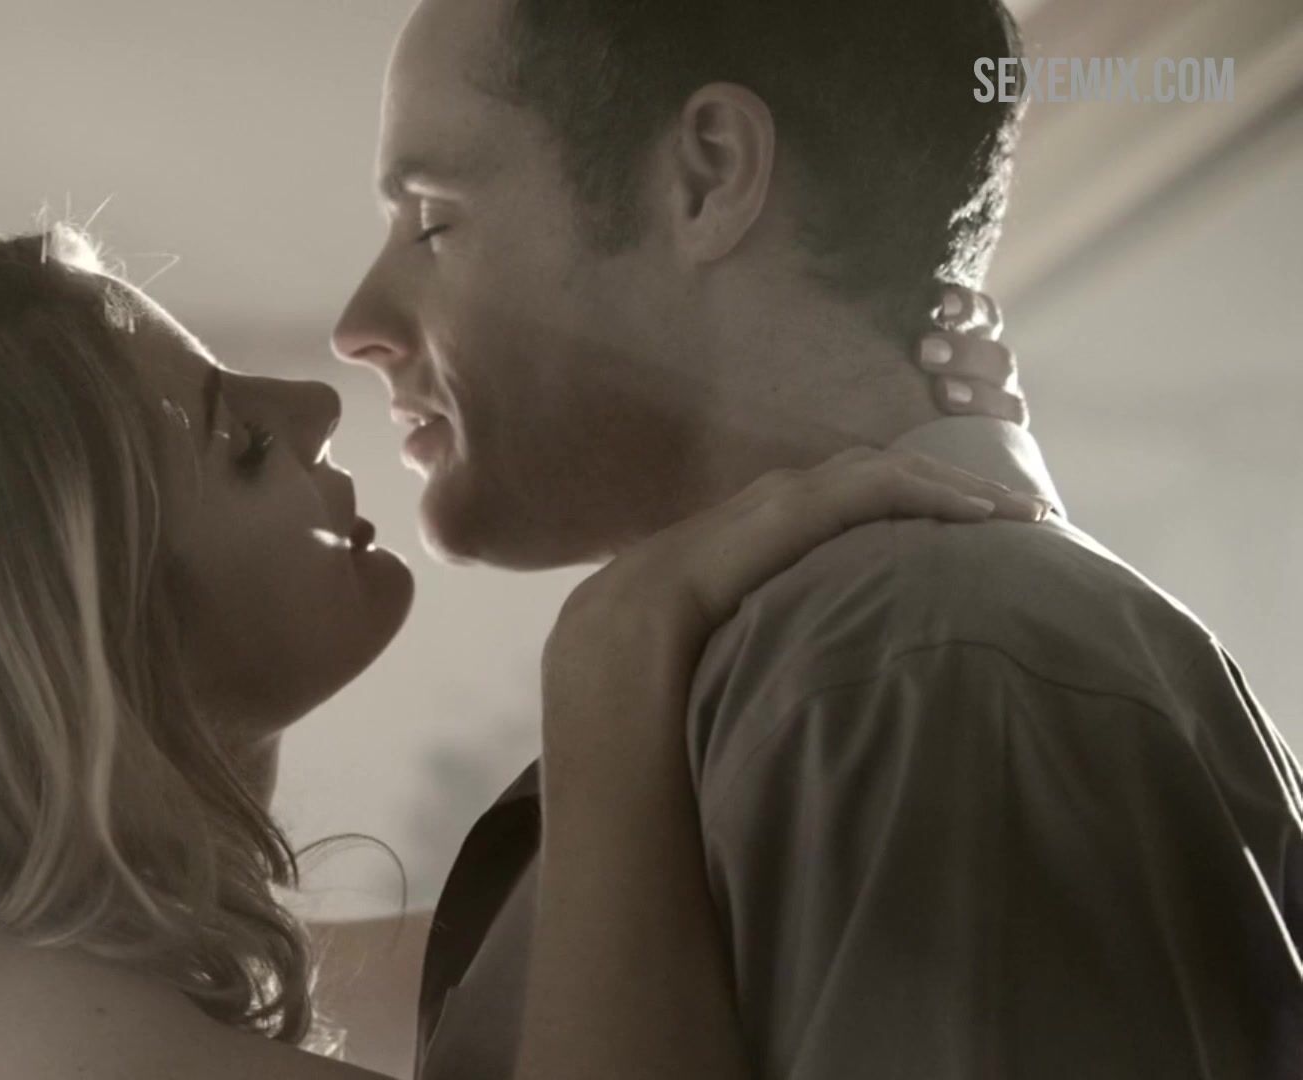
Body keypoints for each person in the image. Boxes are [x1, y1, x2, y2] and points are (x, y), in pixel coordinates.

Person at [0, 226, 1030, 1080]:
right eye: (236, 442)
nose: (318, 406)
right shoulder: (17, 1040)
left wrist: (961, 488)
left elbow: (515, 969)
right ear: (77, 632)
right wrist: (613, 661)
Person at [328, 0, 1303, 1077]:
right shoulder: (807, 683)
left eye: (432, 219)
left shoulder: (922, 669)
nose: (356, 326)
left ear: (708, 177)